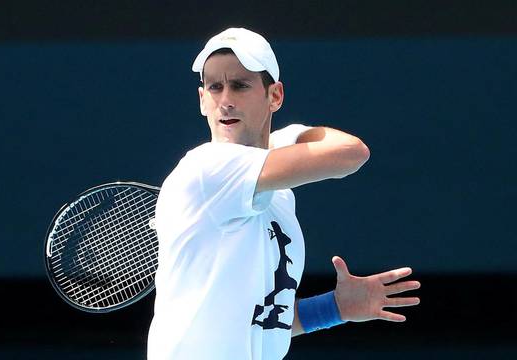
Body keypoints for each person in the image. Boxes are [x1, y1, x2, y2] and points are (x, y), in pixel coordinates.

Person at [147, 28, 420, 360]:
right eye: (215, 87)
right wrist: (287, 136)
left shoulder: (279, 196)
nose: (226, 99)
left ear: (274, 96)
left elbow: (264, 321)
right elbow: (351, 152)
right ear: (202, 99)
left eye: (240, 85)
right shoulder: (208, 168)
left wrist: (334, 308)